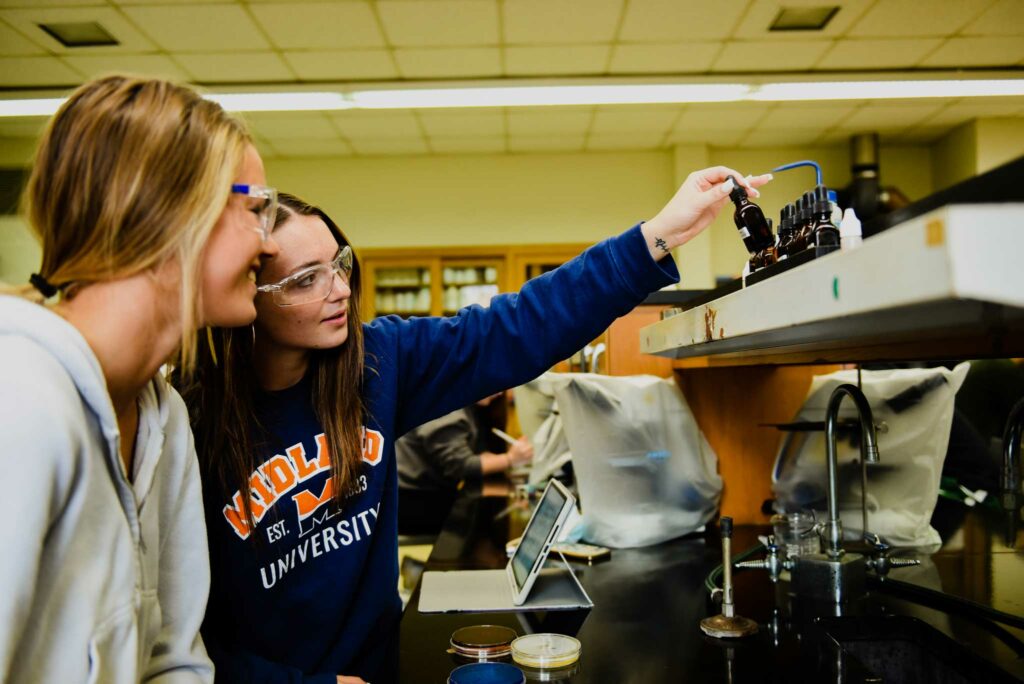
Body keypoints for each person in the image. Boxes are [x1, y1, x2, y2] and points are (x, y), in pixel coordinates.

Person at [179, 170, 771, 683]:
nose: (340, 291)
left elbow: (518, 326)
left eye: (340, 263)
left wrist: (658, 234)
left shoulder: (377, 362)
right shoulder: (192, 419)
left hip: (381, 668)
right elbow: (176, 637)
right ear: (246, 293)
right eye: (306, 279)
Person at [0, 75, 279, 682]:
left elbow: (171, 659)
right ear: (170, 213)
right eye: (256, 208)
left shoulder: (162, 415)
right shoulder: (21, 399)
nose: (269, 242)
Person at [397, 392, 533, 535]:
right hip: (414, 500)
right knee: (475, 529)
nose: (500, 391)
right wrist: (510, 459)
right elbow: (462, 467)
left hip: (425, 492)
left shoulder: (458, 402)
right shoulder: (447, 411)